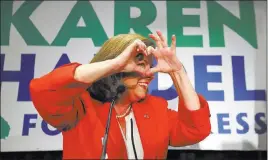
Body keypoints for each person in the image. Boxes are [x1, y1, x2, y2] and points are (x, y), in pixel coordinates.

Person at [30, 31, 211, 159]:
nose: (149, 73)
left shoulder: (156, 108)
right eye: (140, 64)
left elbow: (196, 129)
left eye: (150, 65)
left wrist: (177, 71)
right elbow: (43, 90)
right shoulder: (80, 106)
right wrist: (114, 64)